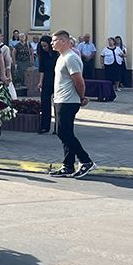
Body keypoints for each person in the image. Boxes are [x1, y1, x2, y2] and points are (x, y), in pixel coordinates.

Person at [47, 31, 95, 179]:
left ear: (64, 41)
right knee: (64, 132)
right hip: (60, 100)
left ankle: (86, 161)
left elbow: (79, 81)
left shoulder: (71, 58)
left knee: (64, 133)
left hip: (68, 101)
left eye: (54, 40)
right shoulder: (61, 57)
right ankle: (68, 165)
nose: (51, 43)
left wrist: (82, 97)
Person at [35, 35, 57, 134]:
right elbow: (42, 70)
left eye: (45, 46)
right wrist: (40, 82)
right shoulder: (42, 55)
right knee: (45, 103)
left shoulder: (57, 54)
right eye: (42, 46)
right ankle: (44, 126)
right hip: (46, 80)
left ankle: (57, 127)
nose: (44, 48)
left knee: (57, 104)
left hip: (57, 80)